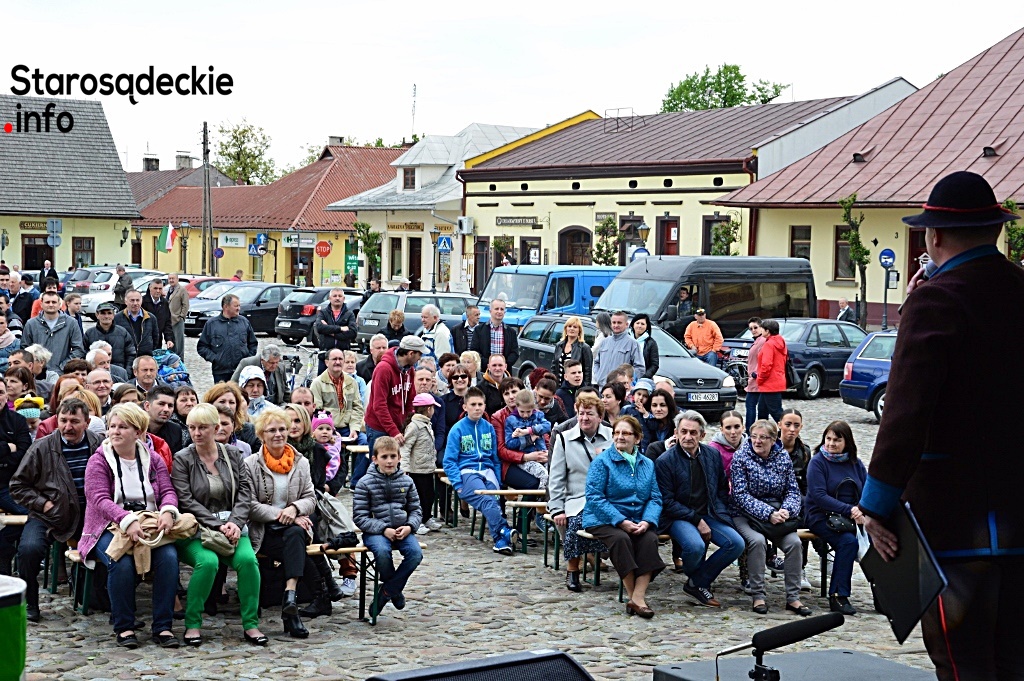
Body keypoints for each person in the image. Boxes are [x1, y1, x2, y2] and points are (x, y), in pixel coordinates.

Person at [858, 171, 1024, 677]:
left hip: (952, 527)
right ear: (997, 230)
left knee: (962, 665)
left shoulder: (934, 300)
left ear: (933, 236)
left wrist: (875, 506)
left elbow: (906, 412)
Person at [78, 403, 181, 648]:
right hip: (106, 525)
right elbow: (99, 499)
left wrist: (168, 511)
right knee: (121, 561)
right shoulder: (98, 460)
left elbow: (168, 491)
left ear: (138, 432)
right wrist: (127, 519)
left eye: (122, 427)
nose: (115, 431)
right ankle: (124, 626)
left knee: (168, 558)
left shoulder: (152, 459)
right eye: (112, 426)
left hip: (149, 522)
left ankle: (163, 626)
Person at [171, 403, 264, 646]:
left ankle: (251, 624)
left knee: (248, 561)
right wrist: (217, 524)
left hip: (232, 526)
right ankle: (193, 623)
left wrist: (235, 522)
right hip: (197, 530)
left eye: (202, 427)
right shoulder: (183, 458)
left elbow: (245, 491)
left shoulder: (232, 454)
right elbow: (186, 500)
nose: (196, 433)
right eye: (192, 427)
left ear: (215, 428)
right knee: (208, 562)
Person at [10, 398, 103, 621]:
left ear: (87, 422)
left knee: (115, 549)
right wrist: (44, 504)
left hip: (90, 515)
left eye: (74, 421)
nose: (68, 426)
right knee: (29, 549)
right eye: (63, 420)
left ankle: (102, 596)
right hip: (49, 515)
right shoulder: (42, 447)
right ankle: (30, 603)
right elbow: (18, 485)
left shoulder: (99, 444)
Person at [242, 407, 318, 639]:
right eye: (272, 430)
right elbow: (250, 505)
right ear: (261, 435)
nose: (278, 434)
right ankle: (292, 608)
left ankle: (290, 596)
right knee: (295, 540)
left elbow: (310, 498)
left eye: (282, 429)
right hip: (263, 531)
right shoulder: (250, 464)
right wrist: (284, 514)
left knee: (295, 535)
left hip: (292, 530)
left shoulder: (300, 462)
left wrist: (295, 508)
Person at [656, 411, 744, 607]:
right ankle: (697, 579)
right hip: (677, 516)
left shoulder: (712, 455)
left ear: (702, 435)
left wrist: (721, 512)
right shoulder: (665, 461)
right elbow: (667, 501)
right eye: (684, 431)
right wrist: (697, 520)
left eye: (693, 432)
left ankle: (697, 582)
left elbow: (721, 488)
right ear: (676, 433)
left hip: (709, 512)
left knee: (736, 543)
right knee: (695, 546)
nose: (688, 437)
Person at [583, 415, 663, 617]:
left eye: (626, 433)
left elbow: (655, 498)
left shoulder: (647, 464)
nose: (620, 437)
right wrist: (621, 521)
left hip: (638, 519)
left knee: (650, 540)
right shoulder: (602, 462)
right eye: (616, 433)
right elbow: (594, 497)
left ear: (637, 438)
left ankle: (637, 598)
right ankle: (635, 598)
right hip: (603, 518)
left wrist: (647, 521)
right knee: (621, 539)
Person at [730, 419, 809, 616]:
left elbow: (792, 490)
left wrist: (787, 510)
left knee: (794, 544)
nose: (757, 441)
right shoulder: (741, 457)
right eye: (754, 437)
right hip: (746, 514)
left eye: (763, 437)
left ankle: (793, 598)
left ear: (773, 440)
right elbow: (740, 495)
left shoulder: (782, 457)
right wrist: (768, 513)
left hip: (777, 513)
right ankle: (758, 595)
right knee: (757, 542)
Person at [547, 393, 612, 591]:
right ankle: (572, 569)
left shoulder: (613, 437)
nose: (584, 418)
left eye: (590, 414)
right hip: (577, 498)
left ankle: (629, 570)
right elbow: (556, 478)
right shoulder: (565, 438)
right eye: (581, 413)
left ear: (600, 417)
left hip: (608, 498)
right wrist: (557, 508)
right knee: (575, 523)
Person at [442, 387, 519, 555]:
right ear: (465, 407)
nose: (477, 408)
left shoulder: (488, 428)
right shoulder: (457, 429)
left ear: (485, 406)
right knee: (487, 501)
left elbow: (495, 458)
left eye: (480, 404)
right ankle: (504, 531)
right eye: (473, 404)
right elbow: (449, 461)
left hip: (488, 471)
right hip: (468, 472)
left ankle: (501, 541)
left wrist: (498, 480)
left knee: (494, 502)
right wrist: (457, 484)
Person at [355, 436, 424, 618]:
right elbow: (360, 517)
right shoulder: (364, 483)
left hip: (403, 530)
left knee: (415, 554)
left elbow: (416, 510)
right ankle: (395, 590)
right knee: (382, 551)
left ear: (399, 458)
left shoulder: (407, 481)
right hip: (376, 531)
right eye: (384, 457)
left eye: (393, 456)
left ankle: (386, 591)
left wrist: (410, 527)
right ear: (375, 459)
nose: (389, 461)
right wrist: (383, 529)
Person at [805, 420, 866, 617]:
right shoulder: (818, 462)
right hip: (822, 515)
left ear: (846, 442)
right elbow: (819, 496)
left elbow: (866, 490)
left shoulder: (855, 464)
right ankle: (839, 595)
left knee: (878, 541)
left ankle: (882, 593)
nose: (831, 443)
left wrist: (862, 511)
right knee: (848, 542)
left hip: (852, 517)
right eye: (828, 438)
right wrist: (850, 510)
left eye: (837, 440)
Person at [362, 336, 423, 486]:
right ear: (410, 353)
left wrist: (408, 424)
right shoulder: (384, 369)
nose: (420, 358)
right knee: (379, 470)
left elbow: (410, 400)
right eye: (419, 354)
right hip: (379, 427)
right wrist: (393, 431)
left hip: (398, 426)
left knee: (396, 469)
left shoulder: (409, 370)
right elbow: (379, 405)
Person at [0, 379, 32, 575]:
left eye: (0, 392)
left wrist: (4, 461)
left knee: (34, 515)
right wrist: (6, 447)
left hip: (9, 485)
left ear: (6, 395)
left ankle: (2, 546)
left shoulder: (17, 420)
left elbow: (25, 453)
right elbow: (15, 451)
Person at [400, 393, 440, 535]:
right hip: (417, 469)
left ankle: (427, 517)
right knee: (419, 497)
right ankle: (417, 521)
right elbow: (405, 448)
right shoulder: (414, 426)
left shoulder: (426, 424)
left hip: (427, 468)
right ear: (429, 409)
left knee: (430, 495)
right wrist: (404, 468)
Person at [197, 294, 258, 384]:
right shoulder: (212, 324)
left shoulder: (244, 322)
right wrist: (215, 359)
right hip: (220, 372)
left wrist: (247, 360)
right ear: (226, 306)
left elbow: (253, 344)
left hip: (241, 371)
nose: (238, 308)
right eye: (236, 306)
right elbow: (202, 347)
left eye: (239, 306)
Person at [21, 291, 85, 372]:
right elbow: (25, 348)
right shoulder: (31, 324)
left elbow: (78, 349)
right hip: (37, 373)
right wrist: (36, 366)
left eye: (54, 302)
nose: (51, 305)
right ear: (41, 304)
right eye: (47, 302)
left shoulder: (71, 323)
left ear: (59, 304)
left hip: (62, 373)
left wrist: (64, 366)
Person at [502, 389, 551, 489]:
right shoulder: (511, 420)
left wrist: (529, 431)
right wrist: (529, 439)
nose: (525, 415)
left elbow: (547, 426)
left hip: (542, 454)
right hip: (525, 458)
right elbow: (509, 444)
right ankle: (541, 497)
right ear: (517, 406)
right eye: (522, 412)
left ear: (533, 407)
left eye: (528, 411)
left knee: (554, 473)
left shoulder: (538, 415)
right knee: (543, 475)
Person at [593, 311, 645, 387]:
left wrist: (627, 382)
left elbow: (640, 368)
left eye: (619, 323)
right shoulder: (605, 342)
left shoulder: (633, 343)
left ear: (626, 325)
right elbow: (597, 362)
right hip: (603, 387)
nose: (616, 325)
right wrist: (598, 377)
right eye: (614, 322)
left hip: (621, 389)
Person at [85, 302, 136, 374]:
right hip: (97, 374)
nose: (106, 316)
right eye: (103, 313)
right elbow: (84, 355)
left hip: (119, 373)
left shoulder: (122, 332)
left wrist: (127, 373)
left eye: (109, 313)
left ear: (113, 315)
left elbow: (131, 354)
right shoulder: (89, 333)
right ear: (97, 315)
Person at [315, 288, 357, 374]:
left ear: (343, 298)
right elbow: (319, 328)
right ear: (330, 298)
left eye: (340, 296)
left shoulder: (349, 314)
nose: (337, 298)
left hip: (343, 356)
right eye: (334, 296)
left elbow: (353, 333)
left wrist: (330, 331)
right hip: (325, 355)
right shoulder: (323, 313)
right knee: (322, 381)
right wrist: (340, 329)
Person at [752, 319, 787, 423]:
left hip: (769, 383)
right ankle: (762, 431)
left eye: (762, 329)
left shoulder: (769, 344)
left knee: (776, 412)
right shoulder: (780, 341)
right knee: (762, 411)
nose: (760, 330)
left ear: (767, 331)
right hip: (776, 380)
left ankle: (789, 430)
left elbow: (766, 365)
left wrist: (759, 379)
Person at [472, 299, 519, 368]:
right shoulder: (479, 330)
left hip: (504, 371)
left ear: (504, 312)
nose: (499, 311)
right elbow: (474, 351)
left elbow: (515, 353)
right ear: (490, 311)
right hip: (484, 370)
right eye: (496, 309)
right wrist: (489, 365)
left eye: (502, 309)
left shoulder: (511, 332)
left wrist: (502, 365)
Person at [115, 290, 161, 360]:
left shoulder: (151, 318)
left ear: (141, 301)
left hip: (145, 357)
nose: (135, 303)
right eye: (132, 300)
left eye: (137, 300)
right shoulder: (117, 318)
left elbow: (155, 338)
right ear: (126, 301)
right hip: (126, 358)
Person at [553, 316, 593, 387]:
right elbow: (554, 366)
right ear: (566, 329)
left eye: (575, 327)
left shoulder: (584, 348)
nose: (572, 329)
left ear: (579, 330)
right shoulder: (559, 345)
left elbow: (588, 372)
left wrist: (585, 389)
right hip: (559, 386)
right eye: (569, 326)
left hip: (576, 387)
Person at [146, 385, 186, 453]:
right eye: (161, 404)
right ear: (147, 406)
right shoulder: (135, 429)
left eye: (170, 405)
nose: (166, 409)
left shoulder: (175, 430)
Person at [707, 409, 744, 483]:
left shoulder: (751, 446)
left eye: (737, 427)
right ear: (722, 430)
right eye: (728, 428)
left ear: (743, 427)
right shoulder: (712, 449)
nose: (733, 432)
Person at [640, 388, 677, 456]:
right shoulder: (645, 424)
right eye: (654, 405)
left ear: (669, 406)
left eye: (662, 405)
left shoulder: (677, 425)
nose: (658, 409)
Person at [142, 279, 174, 351]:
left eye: (160, 288)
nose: (158, 291)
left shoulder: (164, 303)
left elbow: (167, 322)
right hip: (143, 339)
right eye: (155, 288)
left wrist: (169, 339)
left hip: (158, 339)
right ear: (150, 288)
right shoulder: (142, 302)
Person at [166, 273, 189, 359]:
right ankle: (171, 360)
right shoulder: (169, 289)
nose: (171, 280)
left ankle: (180, 361)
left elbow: (186, 305)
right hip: (169, 320)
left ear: (177, 279)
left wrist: (181, 316)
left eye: (173, 278)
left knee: (179, 343)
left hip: (177, 320)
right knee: (171, 342)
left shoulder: (182, 290)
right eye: (170, 279)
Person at [630, 314, 659, 380]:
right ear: (633, 324)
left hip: (643, 380)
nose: (639, 326)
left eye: (642, 324)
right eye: (637, 323)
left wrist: (644, 377)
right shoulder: (626, 340)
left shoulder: (651, 343)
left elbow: (654, 365)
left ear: (647, 326)